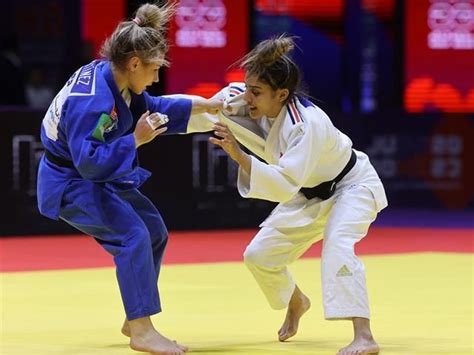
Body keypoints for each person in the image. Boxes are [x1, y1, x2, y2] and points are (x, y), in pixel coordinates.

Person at [37, 3, 221, 355]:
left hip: (93, 174)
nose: (155, 78)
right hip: (70, 181)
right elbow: (89, 163)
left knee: (153, 231)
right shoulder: (93, 102)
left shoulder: (114, 77)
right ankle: (142, 330)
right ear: (134, 62)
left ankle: (135, 314)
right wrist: (135, 139)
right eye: (153, 70)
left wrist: (206, 106)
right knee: (132, 235)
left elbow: (152, 106)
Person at [207, 36, 387, 355]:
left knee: (338, 244)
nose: (247, 96)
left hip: (352, 186)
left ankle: (364, 335)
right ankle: (296, 300)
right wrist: (157, 115)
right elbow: (202, 111)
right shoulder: (240, 98)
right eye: (247, 87)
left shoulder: (307, 124)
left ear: (282, 94)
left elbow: (284, 184)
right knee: (258, 256)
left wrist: (240, 156)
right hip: (308, 195)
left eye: (256, 92)